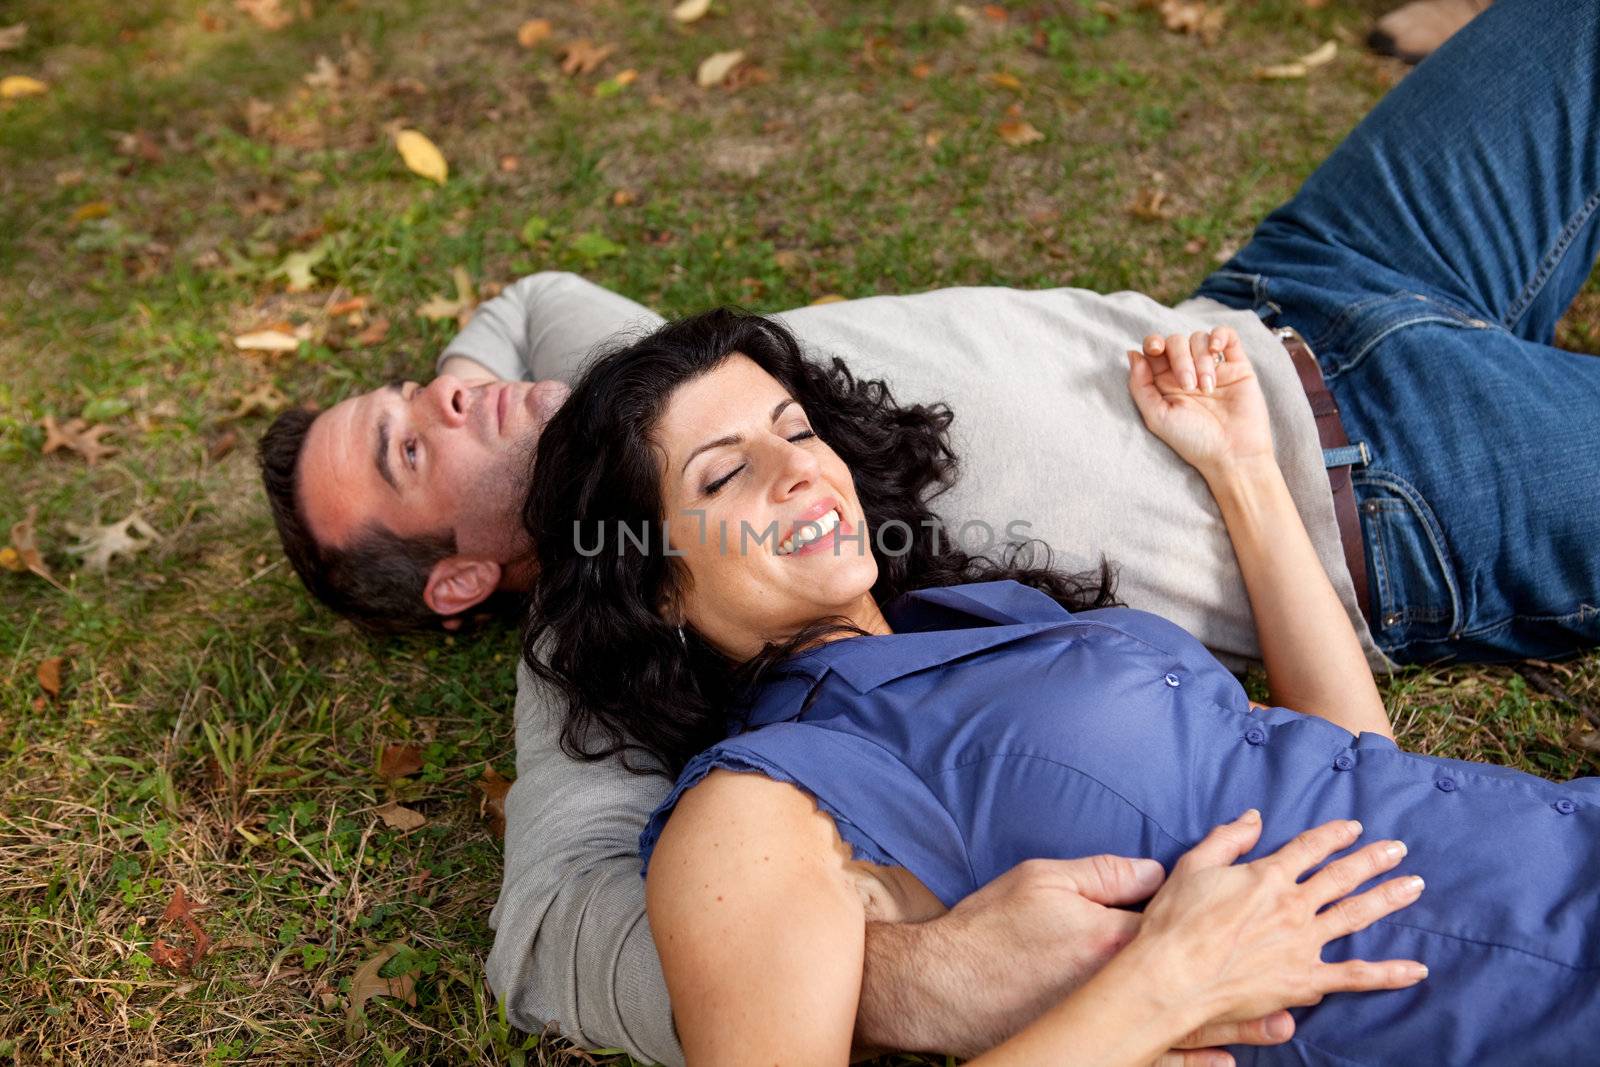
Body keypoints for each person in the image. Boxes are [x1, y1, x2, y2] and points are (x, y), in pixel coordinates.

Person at [254, 0, 1600, 1059]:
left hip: (1282, 301)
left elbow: (530, 300)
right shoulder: (657, 705)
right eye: (408, 445)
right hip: (1405, 480)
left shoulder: (640, 396)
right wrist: (910, 977)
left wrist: (1241, 465)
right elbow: (552, 931)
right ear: (486, 575)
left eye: (796, 426)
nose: (447, 386)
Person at [523, 305, 1598, 1065]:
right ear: (656, 585)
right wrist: (1158, 986)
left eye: (793, 429)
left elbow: (1356, 772)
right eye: (723, 473)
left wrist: (1242, 469)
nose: (797, 469)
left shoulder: (981, 616)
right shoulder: (752, 804)